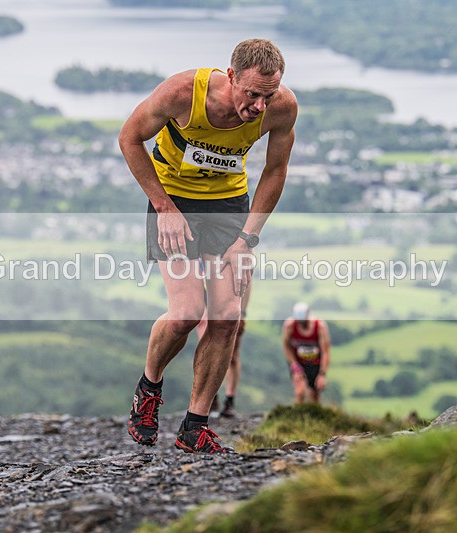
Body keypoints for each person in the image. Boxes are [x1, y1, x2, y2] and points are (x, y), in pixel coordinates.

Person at [119, 38, 297, 453]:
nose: (259, 106)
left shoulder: (283, 107)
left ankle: (194, 426)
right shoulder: (183, 93)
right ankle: (149, 389)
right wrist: (163, 207)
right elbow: (129, 139)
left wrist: (247, 238)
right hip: (173, 202)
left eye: (267, 96)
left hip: (227, 206)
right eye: (251, 94)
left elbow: (275, 170)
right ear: (231, 76)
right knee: (186, 313)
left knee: (227, 316)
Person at [196, 281, 250, 418]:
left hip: (230, 298)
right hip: (205, 300)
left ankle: (229, 400)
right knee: (206, 352)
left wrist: (242, 313)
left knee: (232, 355)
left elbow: (247, 281)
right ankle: (209, 399)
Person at [282, 302, 331, 404]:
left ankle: (314, 413)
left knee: (314, 394)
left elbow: (325, 352)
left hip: (315, 364)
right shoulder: (290, 326)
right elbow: (286, 346)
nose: (300, 324)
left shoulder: (320, 327)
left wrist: (322, 374)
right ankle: (297, 413)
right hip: (299, 363)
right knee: (300, 392)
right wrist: (294, 365)